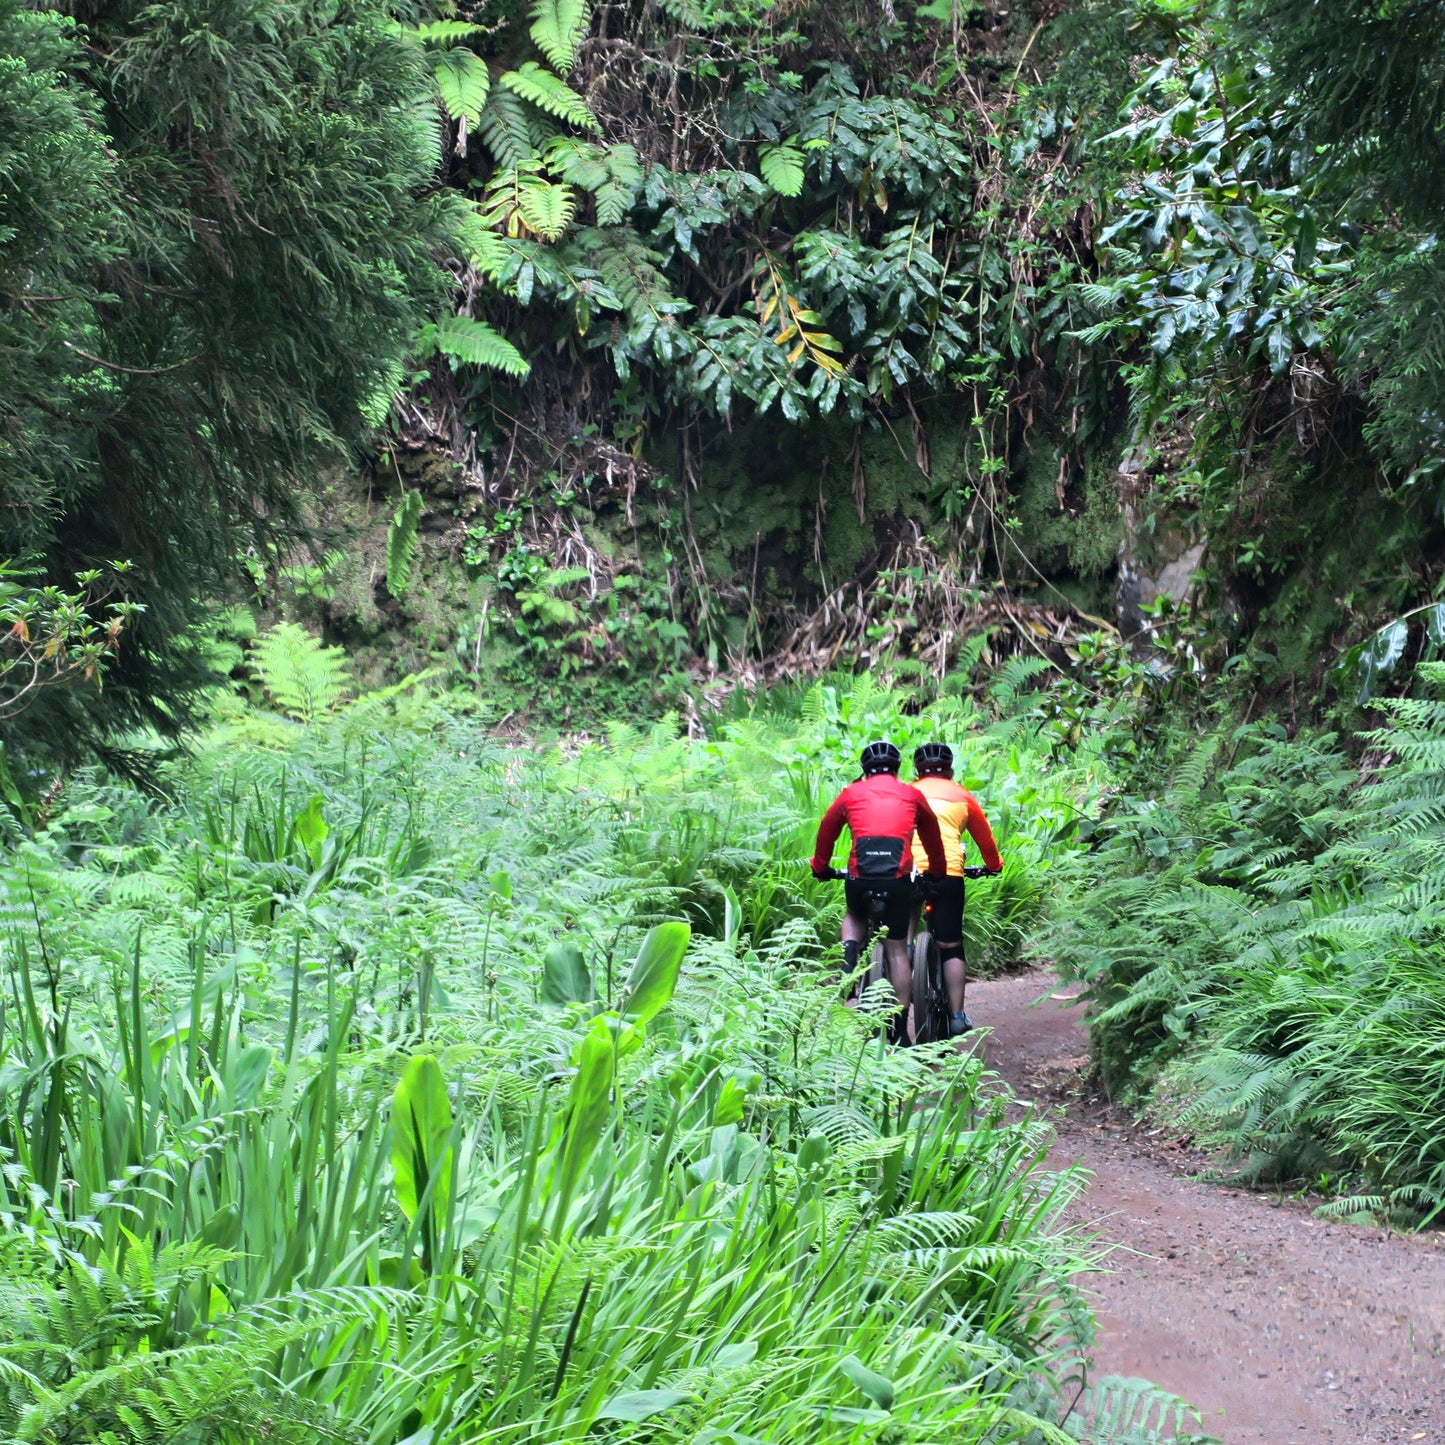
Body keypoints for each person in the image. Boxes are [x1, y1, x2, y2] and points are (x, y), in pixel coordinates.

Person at [810, 740, 947, 1044]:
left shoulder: (850, 794)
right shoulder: (912, 794)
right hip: (897, 881)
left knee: (854, 916)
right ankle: (899, 1028)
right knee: (898, 950)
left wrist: (820, 866)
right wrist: (937, 871)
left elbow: (826, 829)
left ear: (865, 770)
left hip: (861, 878)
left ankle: (848, 959)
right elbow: (933, 836)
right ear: (898, 769)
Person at [909, 742, 1002, 1036]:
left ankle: (906, 961)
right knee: (951, 947)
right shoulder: (963, 796)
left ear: (917, 771)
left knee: (899, 940)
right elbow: (985, 840)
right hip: (947, 872)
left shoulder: (907, 794)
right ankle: (958, 1016)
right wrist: (994, 865)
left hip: (906, 871)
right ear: (949, 770)